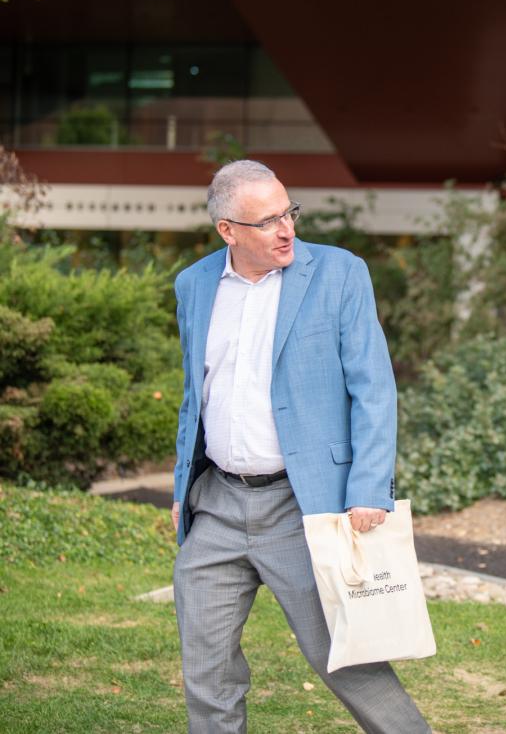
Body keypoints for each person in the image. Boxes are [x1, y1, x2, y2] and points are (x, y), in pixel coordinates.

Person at [170, 160, 430, 733]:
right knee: (206, 668)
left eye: (289, 212)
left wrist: (368, 489)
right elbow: (196, 395)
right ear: (228, 231)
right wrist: (179, 488)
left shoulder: (339, 273)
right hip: (215, 505)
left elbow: (373, 388)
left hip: (302, 505)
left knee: (347, 659)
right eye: (267, 222)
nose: (286, 229)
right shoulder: (193, 286)